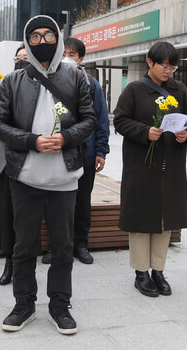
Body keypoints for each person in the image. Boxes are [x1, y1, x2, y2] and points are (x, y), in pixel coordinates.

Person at [0, 15, 96, 334]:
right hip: (24, 177)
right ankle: (23, 303)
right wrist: (31, 141)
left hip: (65, 180)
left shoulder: (76, 77)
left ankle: (59, 305)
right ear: (26, 40)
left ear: (59, 38)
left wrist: (66, 138)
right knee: (24, 245)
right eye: (34, 37)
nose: (41, 42)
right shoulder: (13, 80)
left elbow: (89, 119)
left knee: (63, 247)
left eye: (48, 35)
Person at [113, 41, 187, 298]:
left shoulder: (179, 89)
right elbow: (119, 120)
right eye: (164, 65)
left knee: (164, 219)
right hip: (141, 166)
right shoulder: (135, 90)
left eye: (172, 66)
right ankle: (141, 272)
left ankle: (158, 270)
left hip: (170, 166)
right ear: (150, 63)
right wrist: (144, 132)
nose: (168, 71)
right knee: (141, 219)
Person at [61, 36, 110, 265]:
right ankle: (58, 246)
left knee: (82, 201)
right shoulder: (48, 81)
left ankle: (81, 244)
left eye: (72, 54)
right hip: (57, 152)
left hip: (85, 153)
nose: (67, 58)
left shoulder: (92, 84)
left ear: (81, 58)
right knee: (57, 203)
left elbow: (101, 119)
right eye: (63, 54)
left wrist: (101, 151)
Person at [0, 44, 30, 286]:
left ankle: (23, 261)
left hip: (34, 160)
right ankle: (9, 261)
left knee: (27, 216)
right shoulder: (8, 84)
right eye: (19, 58)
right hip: (7, 159)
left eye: (26, 58)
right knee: (6, 213)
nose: (22, 62)